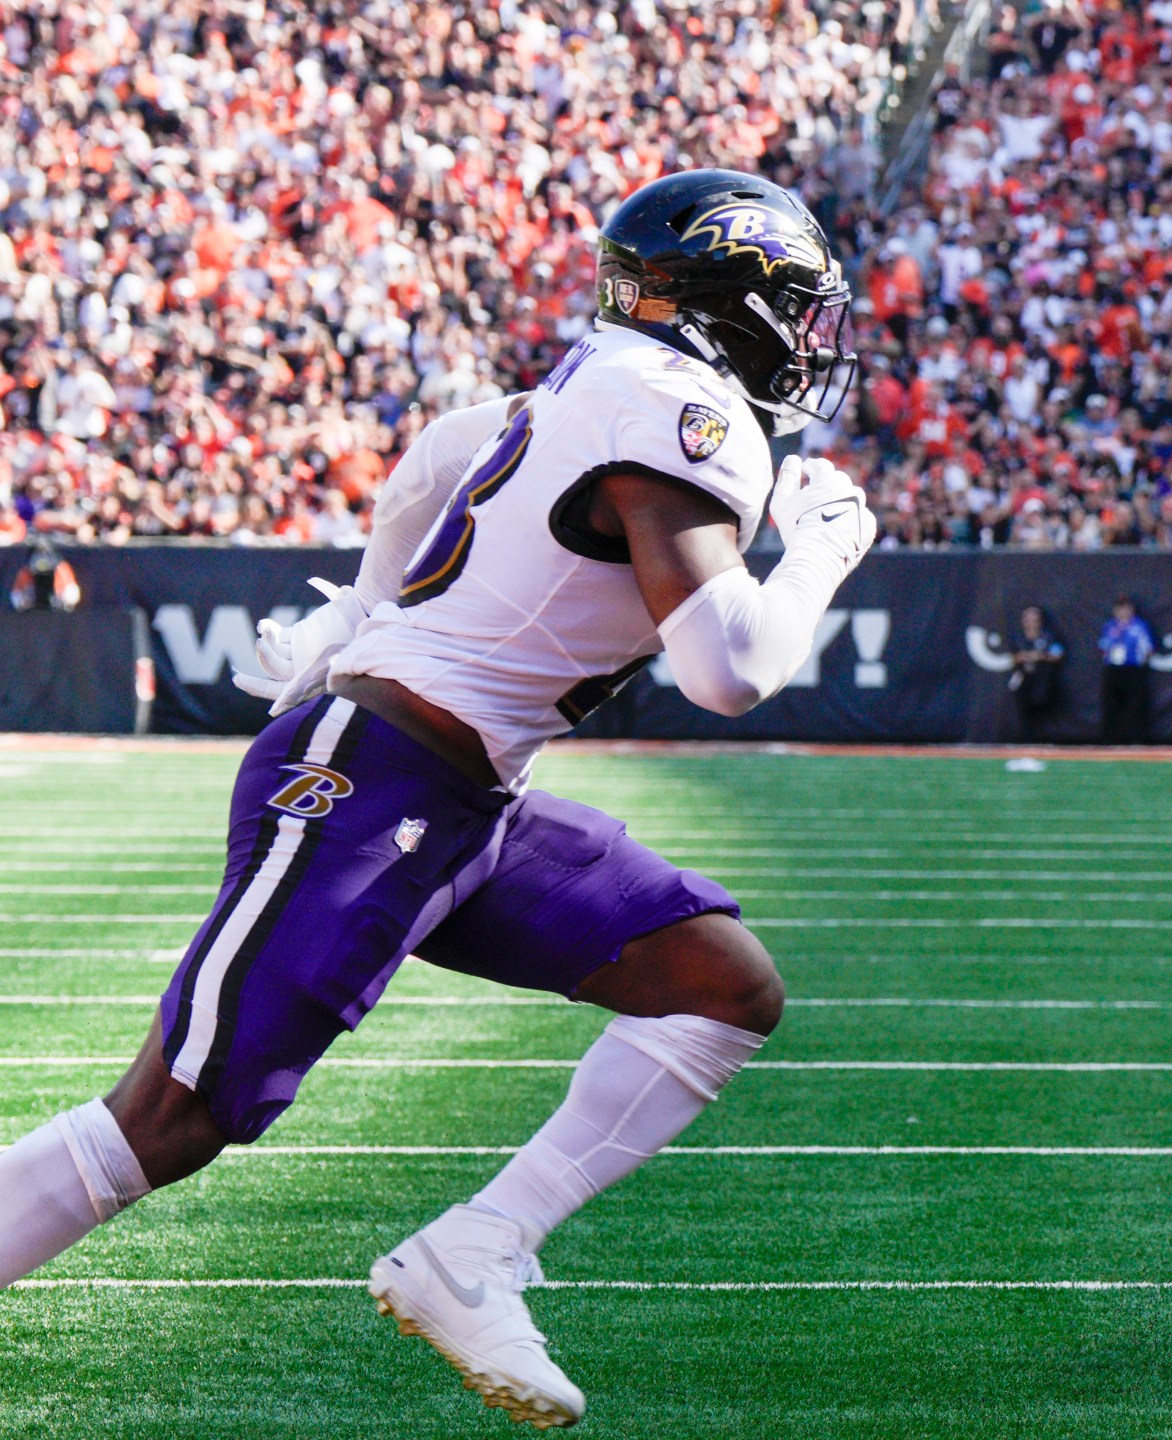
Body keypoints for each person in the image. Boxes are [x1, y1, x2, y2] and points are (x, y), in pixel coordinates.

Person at [0, 170, 876, 1427]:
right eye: (788, 306)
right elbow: (731, 667)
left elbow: (445, 450)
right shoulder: (676, 405)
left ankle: (476, 1249)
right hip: (377, 778)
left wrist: (364, 609)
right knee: (175, 1115)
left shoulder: (590, 386)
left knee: (717, 982)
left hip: (469, 796)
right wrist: (824, 553)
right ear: (716, 300)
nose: (802, 340)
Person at [1099, 596, 1156, 744]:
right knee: (1111, 706)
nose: (1122, 611)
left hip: (1132, 670)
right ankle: (1110, 741)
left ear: (1131, 609)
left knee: (1135, 707)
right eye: (1119, 607)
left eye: (1125, 607)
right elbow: (1102, 647)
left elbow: (1149, 649)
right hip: (1113, 670)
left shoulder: (1139, 626)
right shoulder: (1109, 626)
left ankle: (1135, 741)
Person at [1009, 606, 1067, 739]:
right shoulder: (1018, 638)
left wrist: (1040, 656)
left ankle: (1044, 739)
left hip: (1043, 679)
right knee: (1024, 711)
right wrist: (1025, 656)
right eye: (1028, 620)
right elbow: (1012, 657)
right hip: (1024, 679)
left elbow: (1057, 654)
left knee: (1044, 709)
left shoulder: (1048, 637)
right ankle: (1025, 739)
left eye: (1034, 620)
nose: (1031, 623)